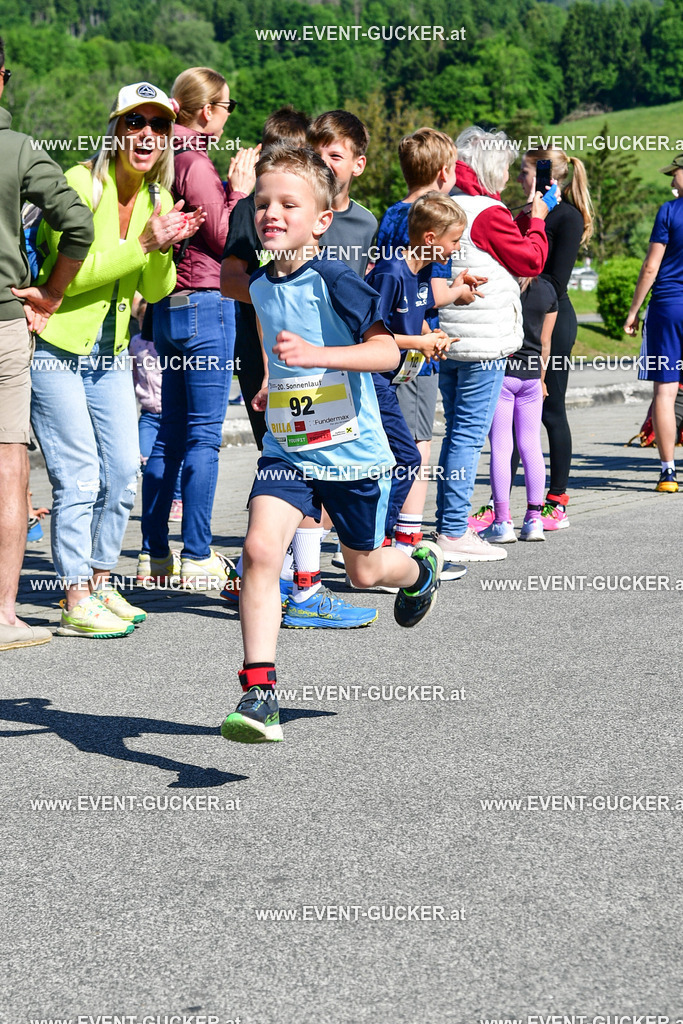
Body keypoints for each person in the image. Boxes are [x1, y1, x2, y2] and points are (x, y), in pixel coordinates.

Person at [220, 144, 444, 744]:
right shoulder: (263, 282)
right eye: (263, 203)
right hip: (288, 449)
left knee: (366, 572)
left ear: (321, 219)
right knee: (261, 550)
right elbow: (274, 336)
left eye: (288, 203)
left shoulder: (337, 279)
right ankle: (259, 690)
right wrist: (274, 379)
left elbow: (386, 352)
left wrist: (318, 358)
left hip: (350, 452)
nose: (271, 212)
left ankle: (420, 570)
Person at [29, 81, 202, 638]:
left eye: (156, 125)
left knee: (125, 469)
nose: (145, 135)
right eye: (134, 123)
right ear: (115, 130)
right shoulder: (80, 184)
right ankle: (73, 596)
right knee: (79, 474)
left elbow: (155, 288)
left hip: (111, 353)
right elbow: (67, 279)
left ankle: (102, 583)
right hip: (56, 347)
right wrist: (144, 245)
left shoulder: (158, 198)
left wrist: (165, 244)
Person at [141, 67, 260, 590]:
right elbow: (220, 236)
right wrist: (238, 192)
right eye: (227, 106)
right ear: (207, 110)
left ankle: (155, 555)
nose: (228, 115)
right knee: (204, 439)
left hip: (168, 305)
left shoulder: (166, 156)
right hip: (205, 304)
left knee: (168, 433)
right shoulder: (194, 160)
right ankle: (197, 554)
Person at [0, 37, 94, 650]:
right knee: (9, 470)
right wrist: (52, 295)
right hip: (5, 320)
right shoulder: (19, 151)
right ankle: (3, 615)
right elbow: (79, 224)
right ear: (2, 79)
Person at [432, 126, 549, 562]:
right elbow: (530, 258)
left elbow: (487, 250)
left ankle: (445, 521)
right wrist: (536, 220)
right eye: (503, 167)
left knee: (452, 436)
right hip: (484, 343)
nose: (505, 176)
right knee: (468, 436)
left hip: (448, 336)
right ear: (490, 167)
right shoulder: (487, 210)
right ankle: (453, 529)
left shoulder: (447, 203)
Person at [366, 192, 474, 576]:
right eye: (455, 240)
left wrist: (434, 337)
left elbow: (419, 319)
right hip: (371, 382)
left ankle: (380, 544)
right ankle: (376, 546)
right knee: (406, 459)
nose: (457, 247)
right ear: (430, 239)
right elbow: (370, 337)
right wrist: (419, 342)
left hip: (396, 379)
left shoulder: (423, 273)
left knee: (394, 461)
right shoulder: (390, 272)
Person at [514, 146, 593, 527]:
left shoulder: (566, 217)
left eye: (526, 173)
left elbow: (554, 281)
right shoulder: (522, 215)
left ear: (548, 178)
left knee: (550, 410)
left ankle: (556, 501)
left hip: (553, 324)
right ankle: (503, 506)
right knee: (510, 416)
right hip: (519, 320)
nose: (519, 180)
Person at [480, 275, 558, 544]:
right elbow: (545, 344)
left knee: (501, 446)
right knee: (531, 445)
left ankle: (502, 522)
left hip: (502, 373)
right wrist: (542, 378)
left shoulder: (498, 282)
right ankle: (534, 520)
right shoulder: (547, 291)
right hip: (531, 376)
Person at [624, 153, 683, 493]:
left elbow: (651, 266)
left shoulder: (669, 211)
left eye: (674, 174)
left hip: (668, 307)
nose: (671, 181)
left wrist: (634, 311)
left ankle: (668, 472)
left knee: (665, 391)